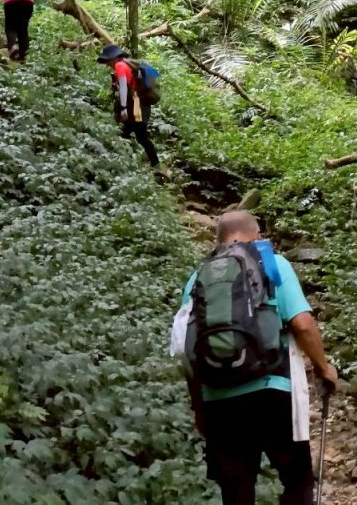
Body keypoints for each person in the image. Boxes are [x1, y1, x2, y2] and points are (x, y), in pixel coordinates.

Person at [177, 210, 338, 505]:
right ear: (257, 234)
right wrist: (323, 367)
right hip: (272, 391)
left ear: (219, 238)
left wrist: (199, 408)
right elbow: (302, 324)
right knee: (296, 481)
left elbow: (185, 350)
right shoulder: (272, 263)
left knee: (236, 492)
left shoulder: (197, 278)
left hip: (218, 400)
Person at [96, 44, 160, 168]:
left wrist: (124, 108)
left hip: (136, 106)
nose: (107, 64)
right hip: (139, 104)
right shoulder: (126, 64)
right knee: (127, 134)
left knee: (137, 135)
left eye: (108, 60)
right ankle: (124, 162)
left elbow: (124, 88)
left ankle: (154, 164)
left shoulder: (120, 66)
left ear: (113, 58)